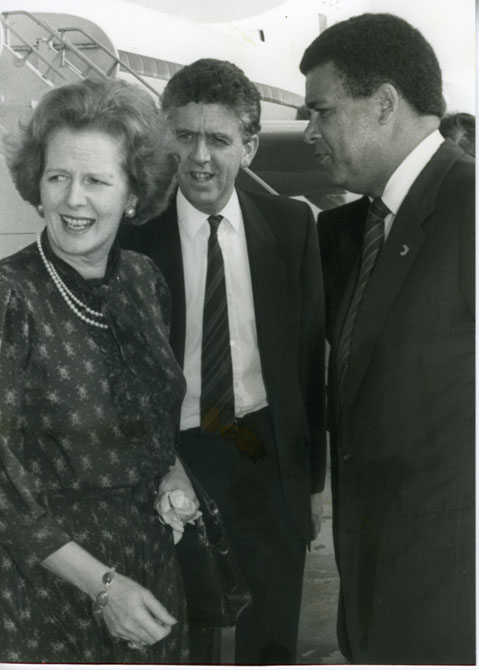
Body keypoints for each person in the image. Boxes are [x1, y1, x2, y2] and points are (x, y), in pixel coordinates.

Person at [119, 58, 326, 665]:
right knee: (182, 630)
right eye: (184, 137)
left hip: (264, 450)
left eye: (219, 139)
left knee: (271, 634)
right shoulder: (133, 240)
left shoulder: (291, 227)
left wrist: (310, 481)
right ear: (163, 139)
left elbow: (307, 361)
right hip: (172, 453)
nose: (200, 157)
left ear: (250, 147)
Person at [0, 77, 200, 663]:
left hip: (150, 574)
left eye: (95, 180)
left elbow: (154, 416)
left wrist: (175, 474)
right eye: (57, 177)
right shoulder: (10, 299)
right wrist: (102, 586)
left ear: (134, 194)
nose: (73, 199)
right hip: (47, 592)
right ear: (35, 186)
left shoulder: (142, 281)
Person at [300, 12, 475, 665]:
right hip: (375, 590)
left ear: (382, 105)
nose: (310, 132)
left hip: (450, 602)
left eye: (321, 111)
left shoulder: (467, 207)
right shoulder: (354, 231)